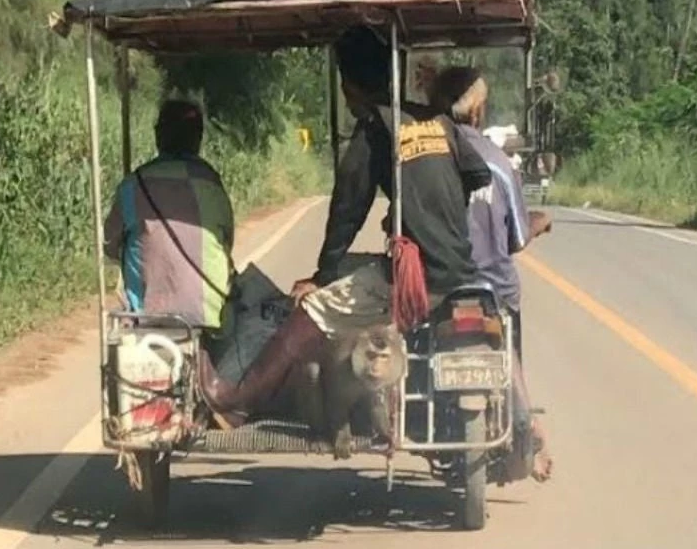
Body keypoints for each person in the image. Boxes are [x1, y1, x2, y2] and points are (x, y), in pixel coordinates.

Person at [199, 26, 492, 427]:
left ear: (347, 85)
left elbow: (348, 210)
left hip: (416, 277)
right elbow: (478, 174)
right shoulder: (434, 119)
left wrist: (323, 275)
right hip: (458, 267)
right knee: (357, 273)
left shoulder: (375, 127)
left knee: (315, 310)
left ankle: (238, 400)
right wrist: (428, 210)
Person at [431, 65, 553, 482]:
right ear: (478, 110)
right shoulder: (499, 164)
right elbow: (516, 238)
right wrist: (539, 221)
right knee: (510, 353)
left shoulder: (423, 160)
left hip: (438, 286)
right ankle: (528, 426)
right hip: (493, 289)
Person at [103, 99, 235, 331]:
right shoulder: (211, 184)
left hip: (145, 318)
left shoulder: (133, 185)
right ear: (198, 138)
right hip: (209, 318)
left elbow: (110, 245)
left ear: (159, 135)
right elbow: (226, 240)